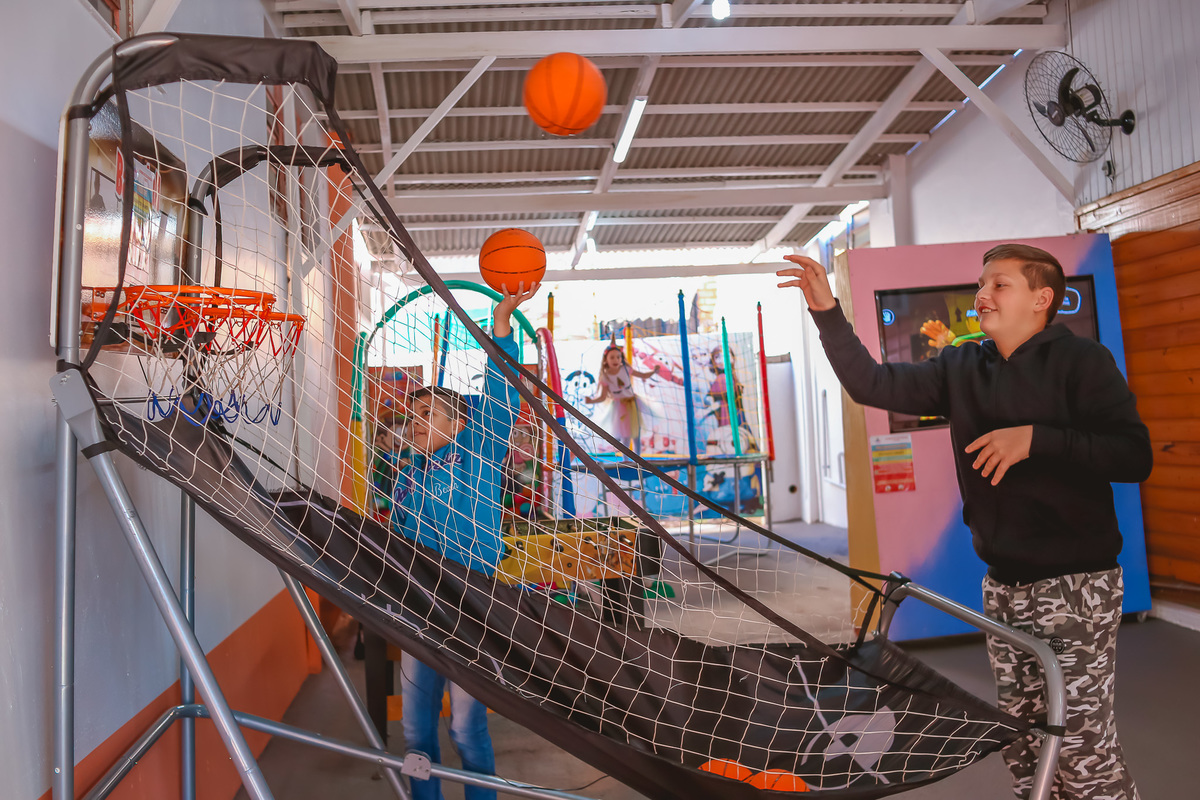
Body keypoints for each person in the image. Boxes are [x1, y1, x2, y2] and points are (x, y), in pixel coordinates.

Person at [778, 244, 1150, 800]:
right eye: (982, 284)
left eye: (1000, 284)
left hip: (1078, 587)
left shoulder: (1083, 362)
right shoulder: (961, 364)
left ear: (1041, 299)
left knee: (1077, 744)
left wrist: (1035, 440)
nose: (983, 293)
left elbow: (1133, 455)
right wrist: (827, 312)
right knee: (1024, 744)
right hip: (1003, 588)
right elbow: (873, 386)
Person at [391, 282, 539, 800]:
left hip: (474, 605)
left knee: (464, 729)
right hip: (418, 606)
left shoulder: (478, 451)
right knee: (415, 733)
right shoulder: (407, 473)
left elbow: (501, 393)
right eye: (410, 415)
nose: (413, 421)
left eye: (427, 412)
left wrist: (501, 326)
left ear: (459, 423)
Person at [584, 344, 655, 451]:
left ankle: (639, 461)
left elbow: (643, 375)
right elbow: (603, 397)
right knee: (625, 435)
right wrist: (591, 401)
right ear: (605, 360)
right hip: (620, 407)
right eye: (612, 357)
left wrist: (654, 371)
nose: (616, 360)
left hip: (633, 404)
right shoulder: (606, 376)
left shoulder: (626, 369)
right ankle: (626, 460)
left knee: (636, 434)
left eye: (618, 357)